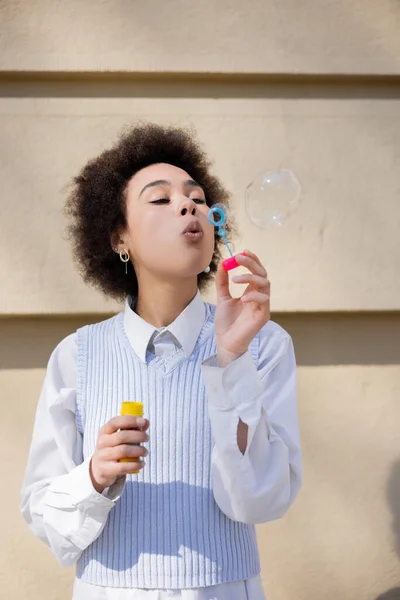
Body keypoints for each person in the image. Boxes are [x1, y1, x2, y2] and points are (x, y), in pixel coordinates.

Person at [21, 122, 302, 600]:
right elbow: (44, 516)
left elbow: (263, 500)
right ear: (119, 240)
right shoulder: (77, 356)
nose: (188, 204)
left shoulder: (263, 344)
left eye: (196, 197)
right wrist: (94, 474)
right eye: (160, 199)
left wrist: (231, 362)